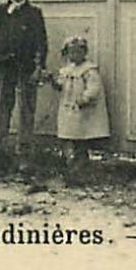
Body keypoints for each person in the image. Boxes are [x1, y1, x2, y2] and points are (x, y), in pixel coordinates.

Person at [0, 0, 48, 175]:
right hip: (4, 68)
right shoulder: (0, 10)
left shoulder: (34, 13)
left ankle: (24, 158)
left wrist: (39, 67)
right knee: (2, 110)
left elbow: (41, 43)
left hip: (26, 68)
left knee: (26, 111)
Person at [50, 35, 110, 178]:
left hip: (82, 109)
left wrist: (86, 97)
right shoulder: (67, 70)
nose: (74, 56)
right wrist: (53, 81)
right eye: (71, 52)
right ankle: (68, 161)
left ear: (84, 53)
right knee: (68, 134)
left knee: (80, 136)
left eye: (78, 52)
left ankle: (81, 162)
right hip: (69, 107)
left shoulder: (89, 70)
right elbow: (61, 85)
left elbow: (94, 88)